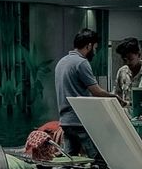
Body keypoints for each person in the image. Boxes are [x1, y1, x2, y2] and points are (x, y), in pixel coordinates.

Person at [54, 28, 115, 158]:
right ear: (89, 46)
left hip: (65, 122)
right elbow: (96, 91)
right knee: (99, 160)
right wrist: (115, 97)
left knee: (71, 160)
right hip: (80, 121)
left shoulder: (61, 62)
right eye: (95, 48)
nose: (95, 52)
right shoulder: (81, 63)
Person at [114, 38, 142, 114]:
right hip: (125, 117)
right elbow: (117, 94)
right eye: (124, 60)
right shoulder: (122, 71)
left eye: (130, 59)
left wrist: (127, 104)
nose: (127, 63)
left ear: (139, 55)